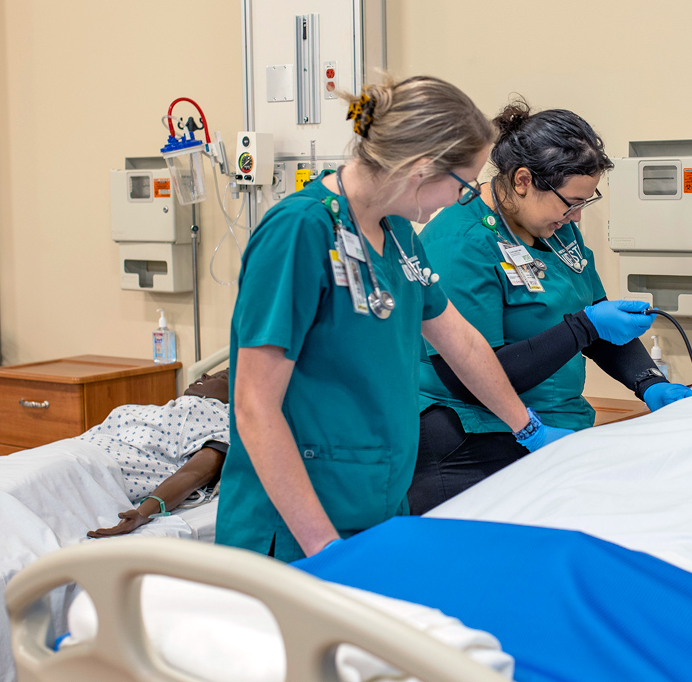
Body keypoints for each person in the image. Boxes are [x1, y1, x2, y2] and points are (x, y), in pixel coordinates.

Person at [217, 76, 543, 562]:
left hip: (378, 504)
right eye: (463, 184)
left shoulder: (398, 235)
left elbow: (462, 342)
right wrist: (321, 545)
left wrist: (529, 429)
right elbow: (253, 406)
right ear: (421, 169)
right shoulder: (300, 230)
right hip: (296, 528)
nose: (462, 199)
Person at [407, 99, 692, 513]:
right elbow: (467, 371)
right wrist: (582, 328)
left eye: (584, 203)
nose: (575, 217)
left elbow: (597, 325)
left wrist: (648, 383)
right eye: (570, 202)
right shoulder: (461, 241)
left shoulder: (554, 229)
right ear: (523, 180)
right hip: (471, 438)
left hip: (558, 426)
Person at [84, 370, 231, 538]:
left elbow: (197, 472)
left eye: (221, 377)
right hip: (80, 445)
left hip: (91, 465)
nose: (204, 375)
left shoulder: (221, 419)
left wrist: (143, 513)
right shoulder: (164, 409)